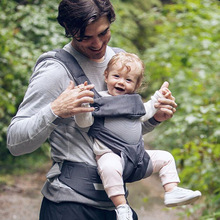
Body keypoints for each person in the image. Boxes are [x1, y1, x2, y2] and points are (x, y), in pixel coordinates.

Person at [7, 0, 179, 219]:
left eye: (103, 32)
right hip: (69, 205)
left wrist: (155, 119)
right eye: (85, 37)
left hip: (113, 207)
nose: (97, 44)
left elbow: (119, 133)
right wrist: (55, 110)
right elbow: (15, 142)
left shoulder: (120, 63)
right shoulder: (55, 70)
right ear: (69, 31)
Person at [74, 52, 202, 220]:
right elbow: (84, 123)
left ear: (136, 85)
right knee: (109, 168)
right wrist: (82, 103)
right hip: (110, 155)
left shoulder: (134, 102)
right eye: (116, 76)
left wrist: (160, 95)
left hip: (138, 158)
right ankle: (121, 207)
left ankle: (171, 190)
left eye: (128, 80)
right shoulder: (98, 100)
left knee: (166, 158)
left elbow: (148, 109)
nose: (121, 82)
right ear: (106, 76)